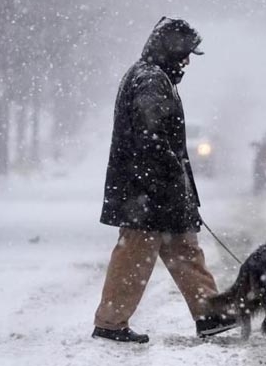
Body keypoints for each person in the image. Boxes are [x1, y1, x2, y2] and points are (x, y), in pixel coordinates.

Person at [92, 17, 237, 343]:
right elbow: (151, 135)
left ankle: (209, 313)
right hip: (146, 191)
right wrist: (169, 176)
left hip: (157, 190)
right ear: (169, 50)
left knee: (184, 249)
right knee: (134, 256)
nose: (186, 62)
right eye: (184, 54)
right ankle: (110, 323)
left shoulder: (153, 76)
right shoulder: (150, 80)